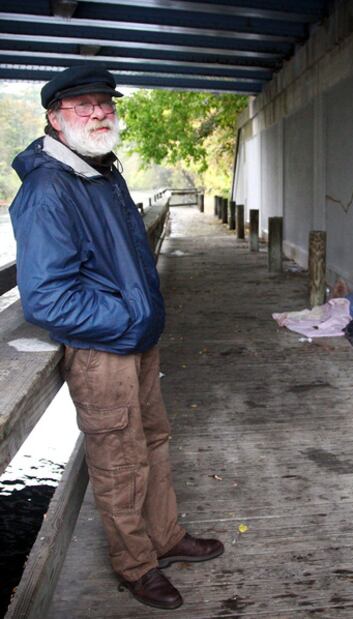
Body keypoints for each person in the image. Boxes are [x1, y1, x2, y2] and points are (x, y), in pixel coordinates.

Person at [9, 65, 224, 611]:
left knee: (153, 439)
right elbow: (46, 299)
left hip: (136, 339)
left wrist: (139, 320)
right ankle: (136, 565)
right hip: (103, 348)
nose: (99, 112)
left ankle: (167, 535)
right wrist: (128, 320)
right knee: (119, 458)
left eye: (105, 102)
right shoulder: (47, 189)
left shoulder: (102, 169)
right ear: (56, 119)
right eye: (83, 106)